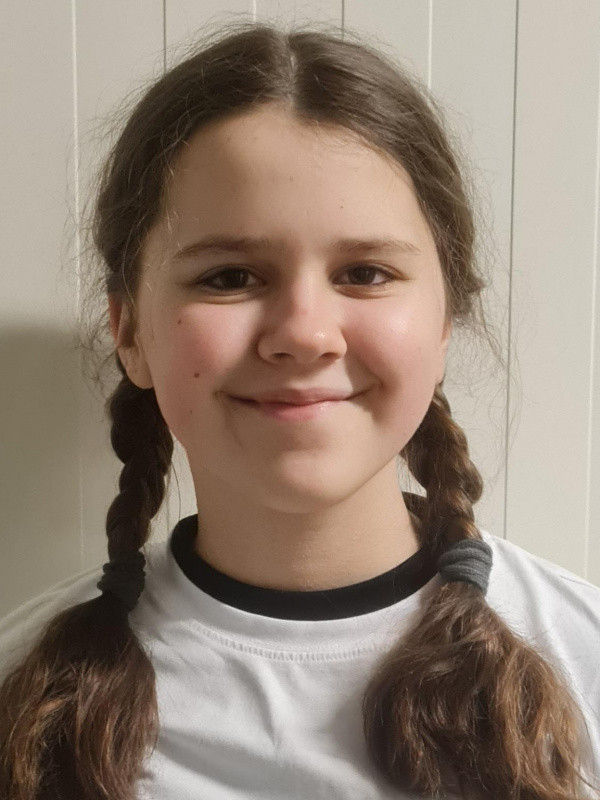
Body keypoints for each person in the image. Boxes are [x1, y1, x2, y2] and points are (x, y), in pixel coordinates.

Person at [0, 19, 599, 800]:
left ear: (443, 321)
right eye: (228, 277)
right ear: (129, 330)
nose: (305, 335)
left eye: (365, 272)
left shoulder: (582, 660)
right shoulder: (23, 695)